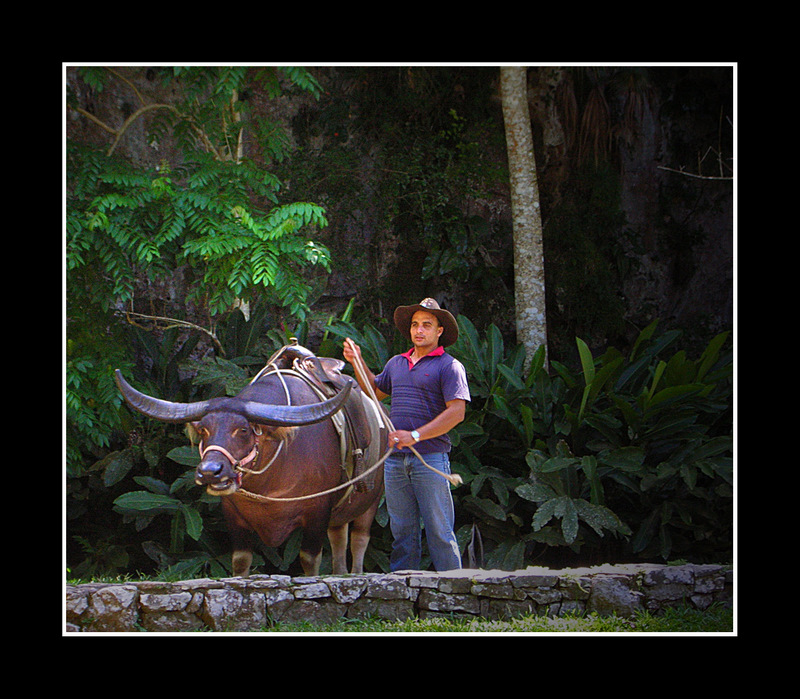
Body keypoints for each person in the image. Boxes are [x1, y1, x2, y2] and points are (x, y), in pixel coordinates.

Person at [343, 298, 470, 572]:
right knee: (402, 532)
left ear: (439, 332)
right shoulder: (397, 364)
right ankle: (402, 592)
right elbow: (373, 391)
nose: (419, 330)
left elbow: (457, 413)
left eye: (427, 325)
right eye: (415, 325)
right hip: (394, 461)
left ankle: (455, 592)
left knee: (440, 531)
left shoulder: (450, 366)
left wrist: (415, 435)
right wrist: (357, 361)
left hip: (431, 459)